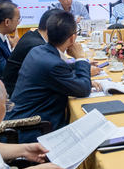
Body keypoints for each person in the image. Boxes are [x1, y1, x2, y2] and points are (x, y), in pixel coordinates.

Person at [7, 12, 101, 140]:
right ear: (73, 38)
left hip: (21, 118)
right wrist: (80, 58)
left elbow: (58, 75)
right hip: (32, 128)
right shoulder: (53, 64)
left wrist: (77, 76)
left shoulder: (38, 50)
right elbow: (83, 90)